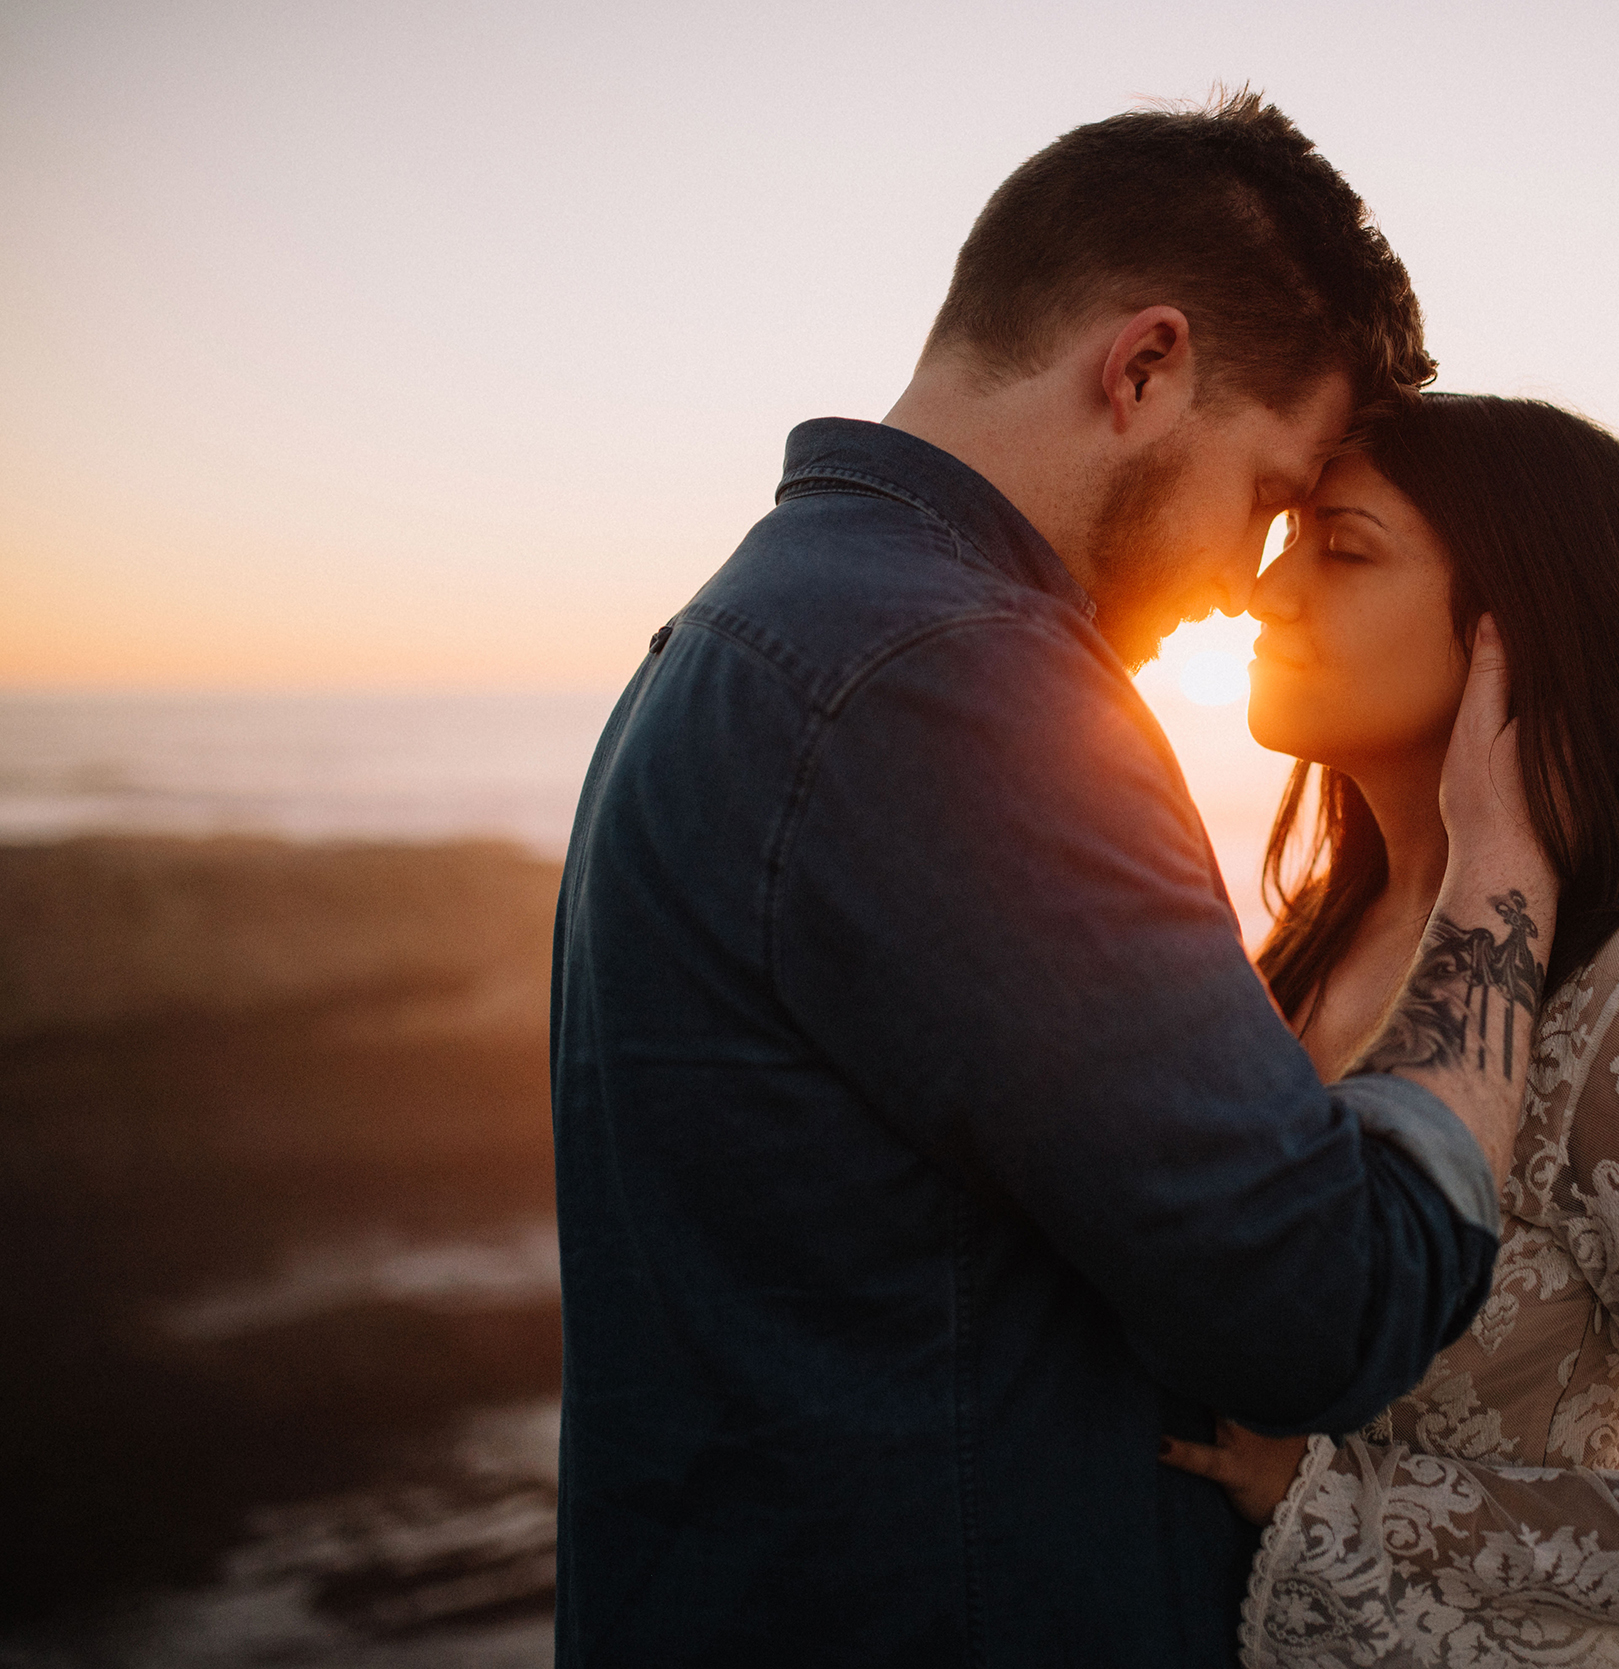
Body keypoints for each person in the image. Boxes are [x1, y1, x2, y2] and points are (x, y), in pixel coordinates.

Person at [549, 94, 1561, 1666]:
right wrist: (1502, 880)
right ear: (1143, 366)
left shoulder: (752, 622)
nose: (1250, 583)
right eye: (1270, 496)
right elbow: (1324, 1302)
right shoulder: (967, 683)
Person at [1159, 396, 1619, 1666]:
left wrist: (1338, 1497)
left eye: (1342, 548)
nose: (1266, 594)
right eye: (1286, 542)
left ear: (1510, 632)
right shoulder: (1310, 931)